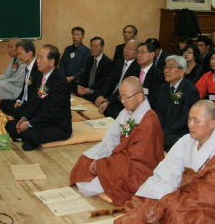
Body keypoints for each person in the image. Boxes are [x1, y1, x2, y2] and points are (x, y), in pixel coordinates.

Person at [70, 77, 164, 205]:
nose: (123, 102)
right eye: (121, 98)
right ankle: (105, 183)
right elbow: (111, 137)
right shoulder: (126, 112)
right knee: (86, 160)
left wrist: (105, 163)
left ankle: (107, 187)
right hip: (122, 156)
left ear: (139, 96)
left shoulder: (149, 121)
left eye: (126, 97)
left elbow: (139, 157)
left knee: (106, 173)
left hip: (139, 167)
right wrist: (101, 156)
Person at [5, 44, 72, 151]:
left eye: (41, 58)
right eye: (38, 57)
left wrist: (29, 124)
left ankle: (26, 137)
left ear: (51, 62)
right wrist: (24, 118)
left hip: (57, 125)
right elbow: (33, 101)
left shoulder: (60, 81)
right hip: (40, 120)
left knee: (32, 133)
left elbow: (53, 112)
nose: (37, 61)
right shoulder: (40, 75)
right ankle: (26, 136)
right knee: (10, 124)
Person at [99, 42, 164, 119]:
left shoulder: (158, 74)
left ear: (152, 55)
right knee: (108, 109)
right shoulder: (135, 70)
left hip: (143, 109)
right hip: (127, 104)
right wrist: (107, 101)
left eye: (142, 52)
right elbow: (122, 89)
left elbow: (153, 99)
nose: (139, 55)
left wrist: (134, 107)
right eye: (138, 52)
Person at [155, 55, 200, 151]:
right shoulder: (164, 87)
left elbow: (184, 119)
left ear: (181, 71)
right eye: (166, 67)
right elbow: (159, 111)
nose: (166, 71)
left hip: (180, 133)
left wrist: (164, 132)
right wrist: (158, 129)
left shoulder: (190, 90)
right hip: (164, 130)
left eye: (171, 67)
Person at [0, 40, 40, 119]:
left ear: (30, 53)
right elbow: (25, 88)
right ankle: (21, 115)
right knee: (3, 103)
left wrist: (25, 104)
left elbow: (36, 94)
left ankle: (24, 117)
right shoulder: (27, 67)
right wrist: (19, 100)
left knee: (12, 122)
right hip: (24, 102)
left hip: (31, 105)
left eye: (20, 54)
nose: (18, 57)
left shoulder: (38, 69)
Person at [94, 39, 139, 109]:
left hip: (122, 99)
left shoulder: (137, 67)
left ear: (137, 52)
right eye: (126, 48)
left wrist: (108, 101)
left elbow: (125, 88)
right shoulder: (119, 62)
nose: (127, 51)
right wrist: (101, 95)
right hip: (110, 94)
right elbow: (110, 80)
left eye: (130, 49)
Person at [76, 36, 114, 103]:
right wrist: (80, 86)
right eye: (91, 46)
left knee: (92, 95)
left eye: (96, 46)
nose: (93, 48)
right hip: (87, 88)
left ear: (102, 47)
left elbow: (103, 81)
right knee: (70, 86)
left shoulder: (108, 62)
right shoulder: (89, 59)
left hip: (97, 90)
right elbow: (85, 74)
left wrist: (89, 89)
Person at [60, 27, 91, 94]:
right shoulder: (68, 49)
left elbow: (84, 68)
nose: (75, 37)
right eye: (73, 34)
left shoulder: (87, 51)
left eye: (78, 35)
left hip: (77, 82)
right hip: (64, 81)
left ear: (83, 37)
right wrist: (63, 77)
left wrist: (72, 77)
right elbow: (62, 64)